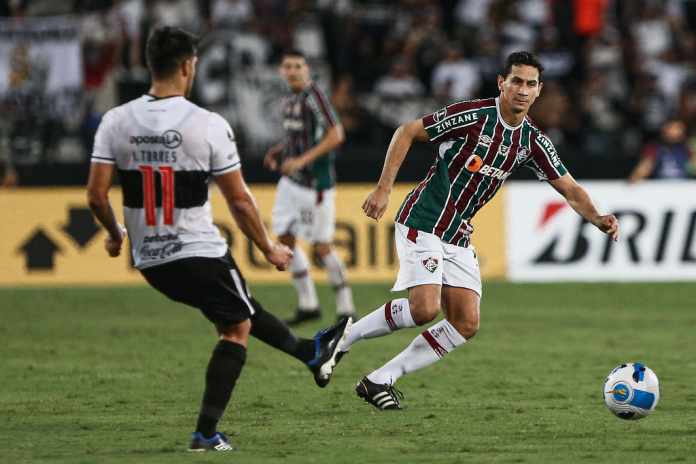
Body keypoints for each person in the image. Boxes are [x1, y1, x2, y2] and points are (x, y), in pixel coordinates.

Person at [86, 27, 352, 451]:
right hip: (197, 248)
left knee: (237, 310)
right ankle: (205, 434)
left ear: (150, 65)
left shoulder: (116, 120)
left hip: (150, 259)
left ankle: (311, 352)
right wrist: (269, 247)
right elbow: (240, 201)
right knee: (236, 329)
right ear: (189, 66)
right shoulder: (206, 124)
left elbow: (96, 195)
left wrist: (115, 234)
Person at [337, 51, 620, 410]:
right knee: (424, 309)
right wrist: (383, 188)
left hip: (457, 233)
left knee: (465, 323)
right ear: (501, 83)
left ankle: (380, 379)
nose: (522, 89)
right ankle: (345, 337)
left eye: (530, 84)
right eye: (516, 81)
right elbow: (407, 131)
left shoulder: (532, 141)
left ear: (538, 91)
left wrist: (596, 216)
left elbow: (569, 187)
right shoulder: (473, 116)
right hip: (424, 218)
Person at [263, 49, 356, 325]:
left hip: (315, 186)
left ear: (307, 69)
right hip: (291, 183)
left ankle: (346, 308)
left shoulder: (315, 97)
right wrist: (280, 150)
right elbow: (301, 136)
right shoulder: (290, 98)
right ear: (282, 71)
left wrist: (301, 160)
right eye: (287, 66)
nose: (292, 71)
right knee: (285, 239)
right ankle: (308, 304)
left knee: (322, 247)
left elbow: (336, 135)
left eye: (298, 66)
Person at [628, 118, 695, 183]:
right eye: (673, 128)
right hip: (660, 186)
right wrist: (637, 175)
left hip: (683, 187)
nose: (676, 132)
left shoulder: (686, 147)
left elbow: (693, 163)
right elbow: (645, 166)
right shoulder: (654, 147)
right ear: (664, 129)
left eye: (679, 129)